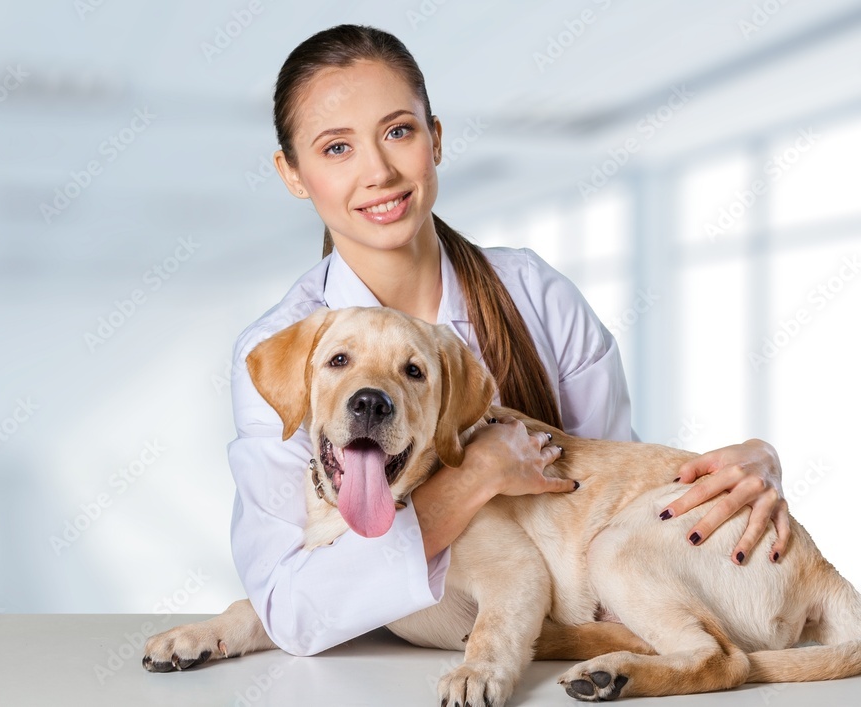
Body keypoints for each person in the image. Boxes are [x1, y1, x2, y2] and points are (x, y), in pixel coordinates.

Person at [227, 24, 788, 657]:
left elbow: (607, 487)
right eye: (336, 149)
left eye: (398, 132)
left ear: (434, 139)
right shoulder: (282, 346)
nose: (378, 171)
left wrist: (749, 465)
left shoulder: (536, 295)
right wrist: (479, 475)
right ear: (292, 173)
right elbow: (294, 611)